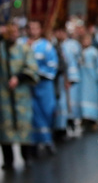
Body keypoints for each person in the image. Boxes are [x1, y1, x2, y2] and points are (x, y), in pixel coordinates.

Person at [0, 24, 40, 169]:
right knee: (4, 128)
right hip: (4, 96)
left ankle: (26, 155)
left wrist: (19, 77)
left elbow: (32, 68)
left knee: (24, 126)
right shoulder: (1, 48)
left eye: (15, 32)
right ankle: (8, 160)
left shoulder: (24, 49)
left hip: (21, 95)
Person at [19, 20, 58, 155]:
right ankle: (33, 143)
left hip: (44, 86)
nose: (33, 31)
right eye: (30, 28)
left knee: (47, 112)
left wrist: (37, 73)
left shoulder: (46, 46)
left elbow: (52, 66)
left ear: (40, 30)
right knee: (32, 115)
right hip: (27, 87)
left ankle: (48, 141)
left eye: (36, 28)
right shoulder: (22, 44)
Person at [52, 26, 81, 140]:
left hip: (70, 78)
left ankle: (71, 124)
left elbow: (77, 60)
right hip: (59, 79)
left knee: (70, 103)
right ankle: (61, 127)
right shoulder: (54, 45)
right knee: (61, 104)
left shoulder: (72, 45)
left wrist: (71, 77)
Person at [78, 32, 98, 130]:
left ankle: (94, 120)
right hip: (83, 81)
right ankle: (85, 120)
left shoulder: (94, 52)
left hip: (92, 81)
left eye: (88, 39)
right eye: (84, 40)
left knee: (94, 99)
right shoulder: (80, 52)